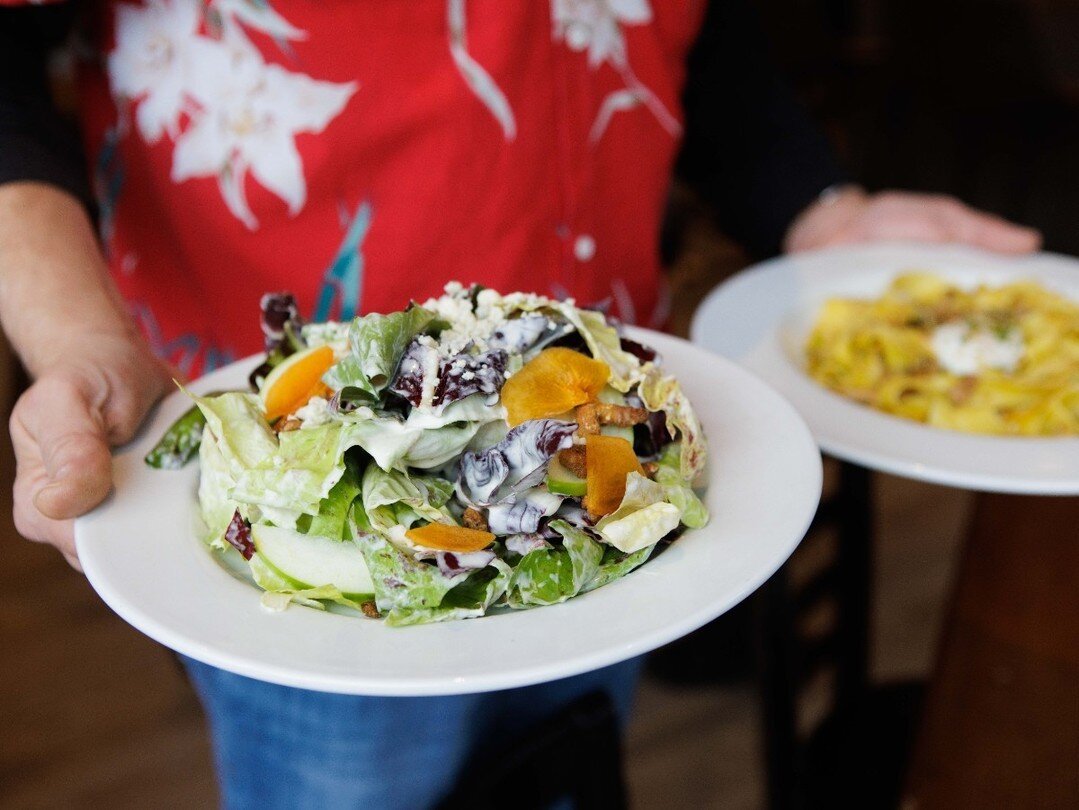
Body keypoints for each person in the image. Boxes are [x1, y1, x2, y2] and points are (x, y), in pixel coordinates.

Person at [1, 1, 1040, 807]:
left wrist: (813, 202)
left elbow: (689, 27)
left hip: (595, 457)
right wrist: (78, 339)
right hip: (296, 468)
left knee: (566, 767)